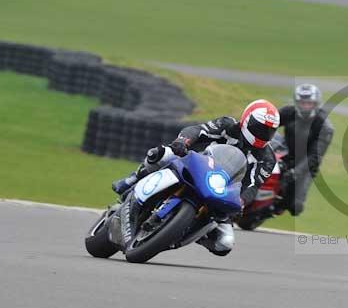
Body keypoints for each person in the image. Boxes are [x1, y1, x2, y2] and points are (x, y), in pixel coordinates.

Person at [111, 99, 281, 256]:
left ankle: (191, 231)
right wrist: (183, 141)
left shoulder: (267, 159)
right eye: (260, 128)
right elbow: (198, 130)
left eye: (269, 131)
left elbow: (253, 185)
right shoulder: (227, 125)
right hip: (195, 164)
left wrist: (241, 201)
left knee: (224, 244)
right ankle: (133, 179)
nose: (264, 134)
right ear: (246, 120)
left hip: (221, 190)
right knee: (162, 153)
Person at [272, 84, 334, 216]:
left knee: (295, 206)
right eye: (302, 103)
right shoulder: (289, 112)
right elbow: (269, 121)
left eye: (309, 103)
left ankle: (274, 208)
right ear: (296, 102)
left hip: (306, 165)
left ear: (316, 103)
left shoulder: (325, 126)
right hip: (286, 153)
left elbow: (314, 156)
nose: (305, 106)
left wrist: (296, 172)